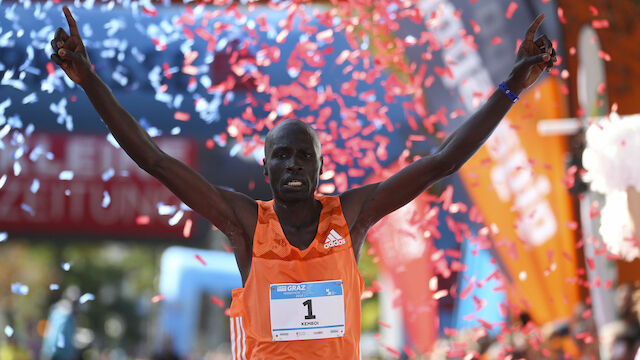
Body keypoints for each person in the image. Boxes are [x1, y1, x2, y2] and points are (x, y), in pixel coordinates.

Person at [50, 6, 557, 359]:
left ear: (319, 169)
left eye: (304, 156)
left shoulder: (351, 216)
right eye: (282, 155)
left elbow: (442, 160)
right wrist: (89, 79)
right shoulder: (245, 223)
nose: (293, 164)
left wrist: (513, 84)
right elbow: (156, 161)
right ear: (266, 168)